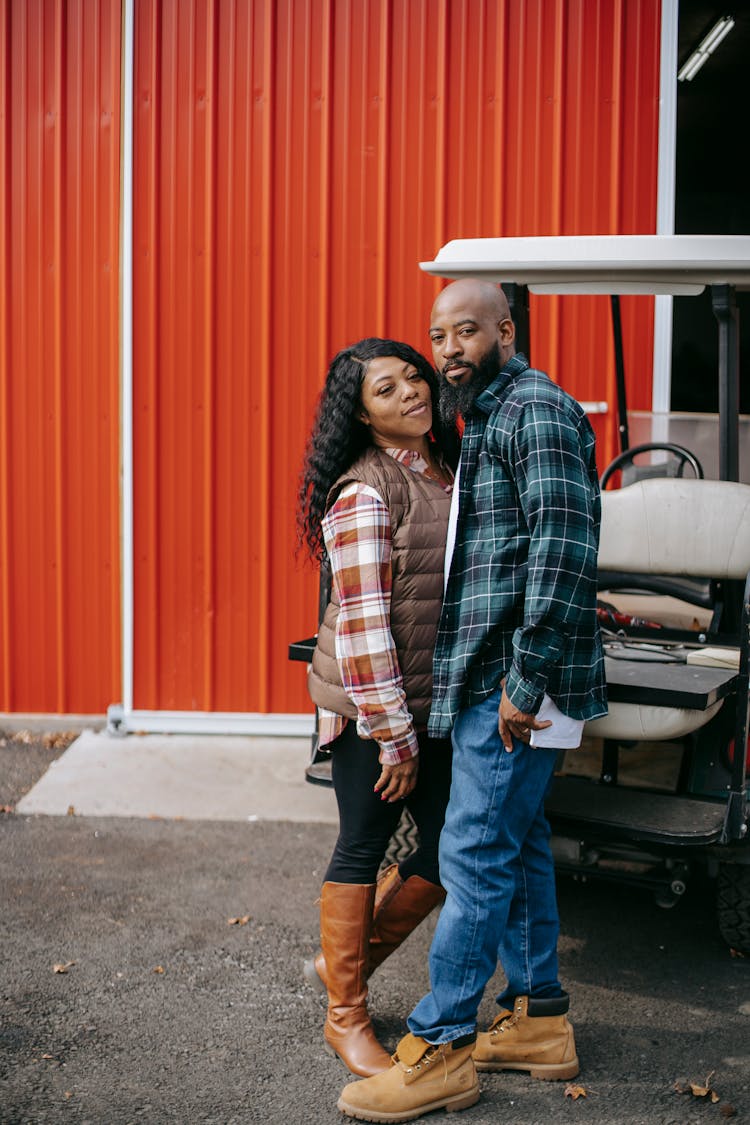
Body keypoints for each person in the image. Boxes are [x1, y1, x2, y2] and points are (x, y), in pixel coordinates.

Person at [337, 279, 608, 1121]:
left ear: (506, 329)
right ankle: (537, 1017)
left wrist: (524, 681)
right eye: (437, 335)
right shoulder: (484, 416)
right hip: (496, 676)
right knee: (518, 842)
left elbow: (564, 552)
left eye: (466, 331)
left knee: (474, 852)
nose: (447, 350)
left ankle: (442, 1044)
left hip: (514, 681)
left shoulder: (534, 410)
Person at [297, 337, 460, 1080]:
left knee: (448, 848)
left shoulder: (441, 466)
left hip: (433, 701)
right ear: (362, 418)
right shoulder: (365, 490)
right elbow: (363, 626)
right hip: (375, 708)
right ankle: (346, 1016)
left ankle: (345, 970)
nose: (411, 394)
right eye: (387, 390)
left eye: (413, 379)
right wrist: (394, 736)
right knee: (364, 845)